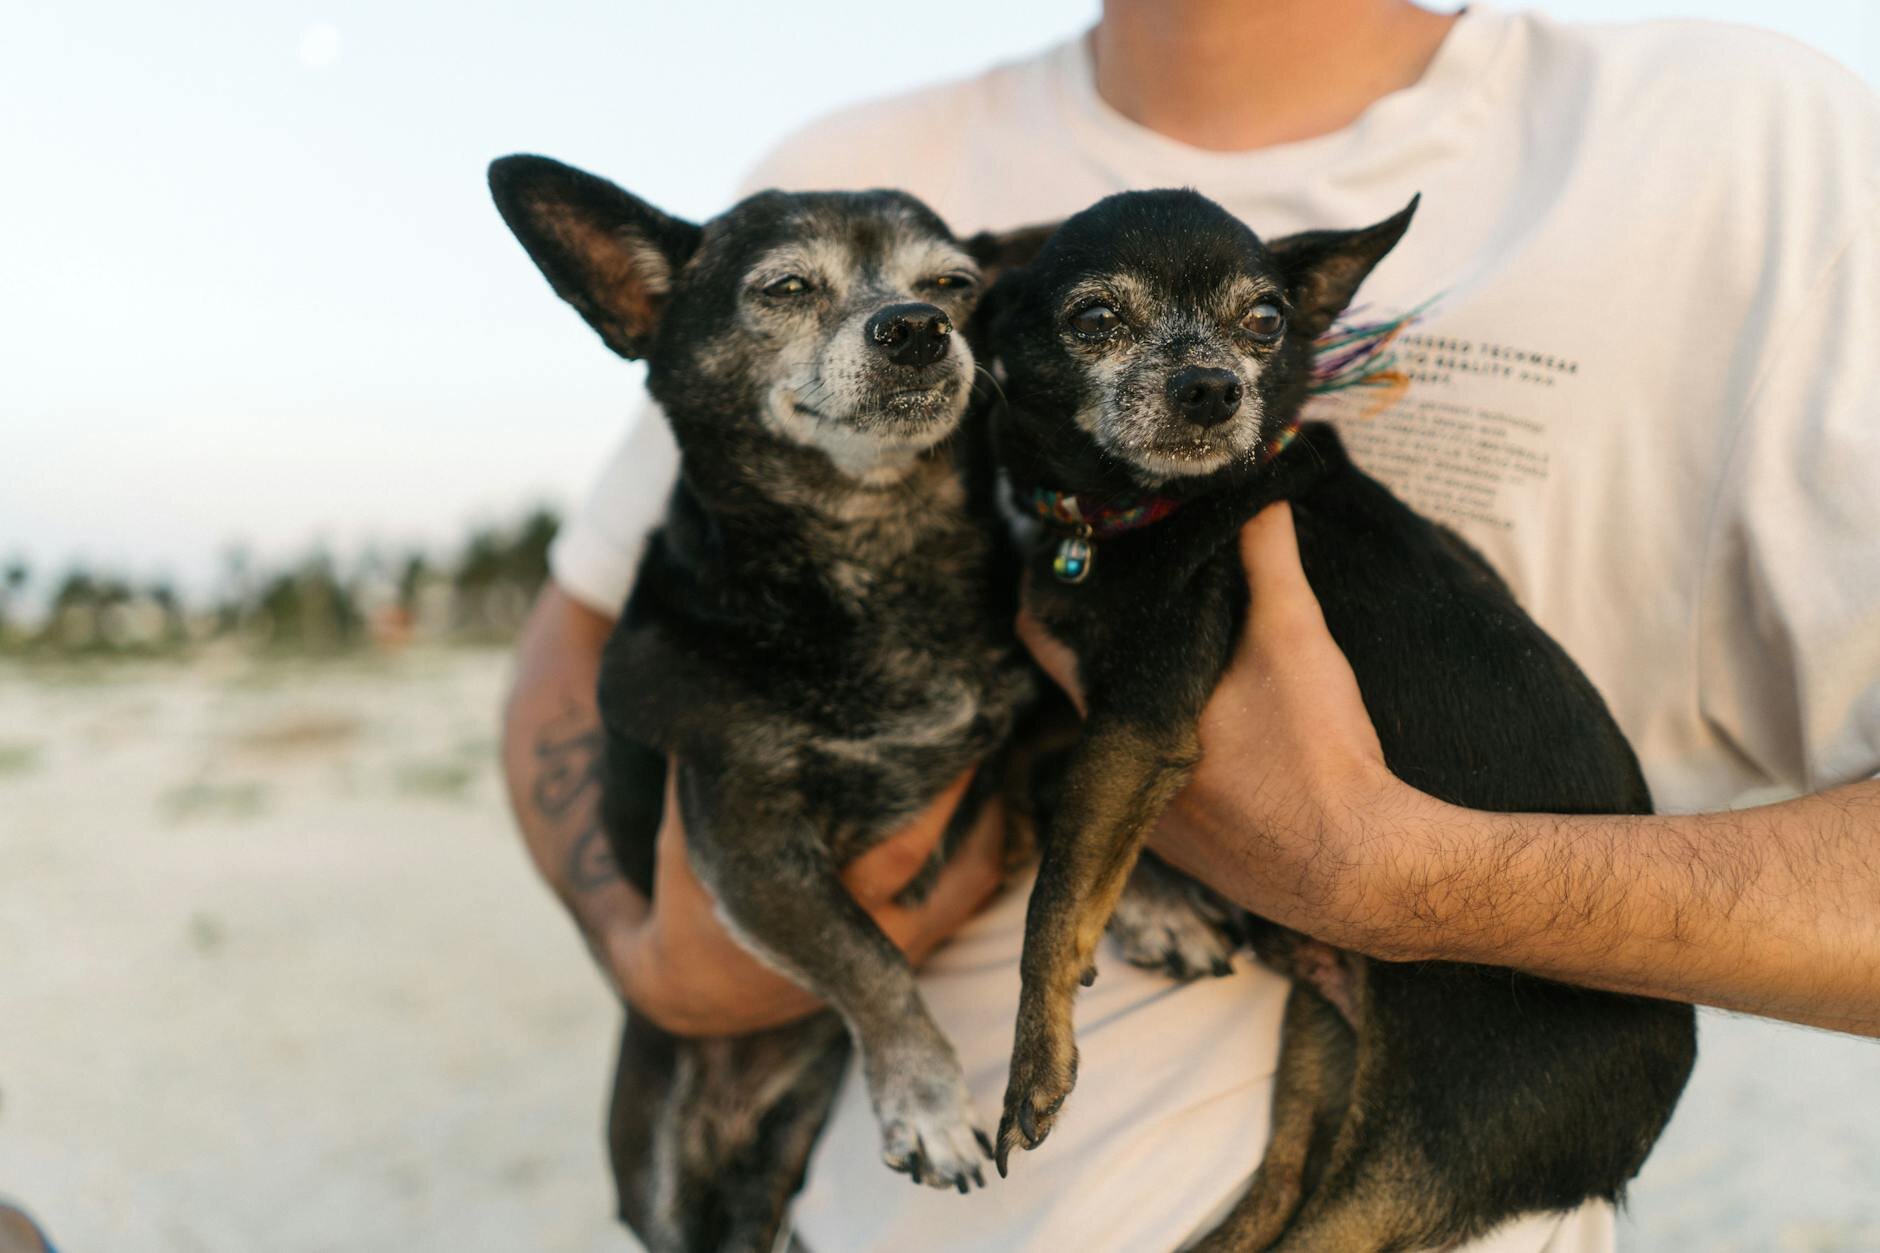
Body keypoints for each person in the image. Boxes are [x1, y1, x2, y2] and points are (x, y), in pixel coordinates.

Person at [500, 1, 1880, 1248]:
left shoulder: (1739, 140)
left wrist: (1392, 874)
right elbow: (579, 641)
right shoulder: (857, 163)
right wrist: (654, 952)